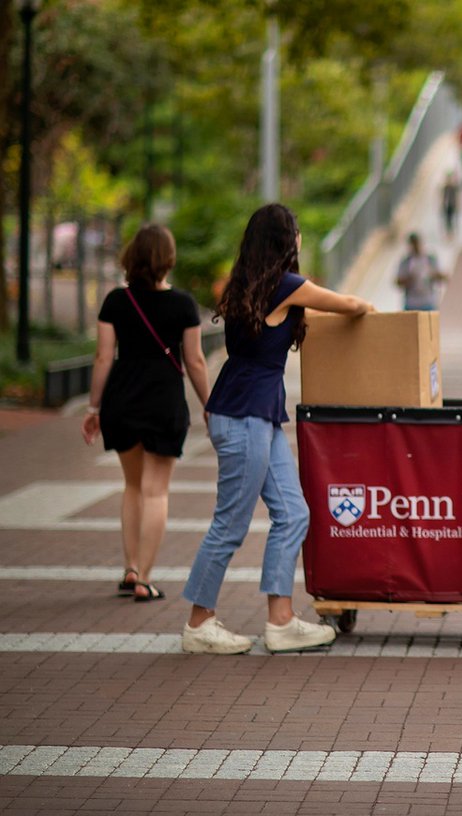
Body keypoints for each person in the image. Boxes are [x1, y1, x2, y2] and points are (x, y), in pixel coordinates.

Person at [181, 203, 373, 655]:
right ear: (286, 241)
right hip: (245, 416)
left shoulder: (248, 285)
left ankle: (281, 620)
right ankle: (198, 623)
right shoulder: (286, 286)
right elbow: (349, 305)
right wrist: (369, 309)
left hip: (255, 414)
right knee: (229, 524)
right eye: (298, 232)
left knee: (293, 513)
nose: (302, 239)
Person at [82, 224, 210, 603]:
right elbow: (196, 361)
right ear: (168, 259)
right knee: (156, 491)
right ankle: (145, 579)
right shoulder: (184, 305)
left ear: (132, 258)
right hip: (163, 402)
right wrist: (210, 404)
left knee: (133, 486)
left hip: (122, 400)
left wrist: (93, 407)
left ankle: (131, 567)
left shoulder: (116, 302)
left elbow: (104, 356)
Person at [395, 232, 447, 311]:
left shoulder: (430, 259)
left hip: (428, 301)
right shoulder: (406, 262)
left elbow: (442, 276)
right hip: (411, 302)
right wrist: (410, 279)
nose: (416, 247)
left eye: (417, 244)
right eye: (413, 245)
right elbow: (398, 281)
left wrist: (431, 275)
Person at [441, 171, 460, 237]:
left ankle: (451, 232)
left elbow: (456, 196)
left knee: (452, 218)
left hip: (452, 205)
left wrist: (457, 204)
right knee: (447, 219)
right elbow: (443, 196)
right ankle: (449, 232)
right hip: (446, 205)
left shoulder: (454, 187)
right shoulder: (445, 187)